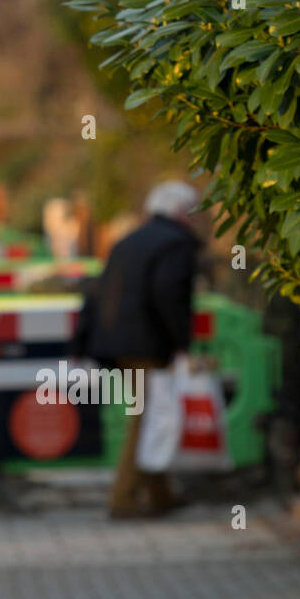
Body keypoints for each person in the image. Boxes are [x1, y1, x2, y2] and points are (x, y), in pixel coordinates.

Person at [73, 179, 203, 518]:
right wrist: (182, 343)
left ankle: (161, 496)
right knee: (145, 420)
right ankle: (124, 500)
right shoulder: (175, 244)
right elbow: (169, 293)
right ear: (181, 212)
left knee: (153, 415)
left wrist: (81, 342)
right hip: (146, 345)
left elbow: (97, 291)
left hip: (118, 343)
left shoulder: (128, 241)